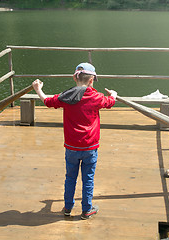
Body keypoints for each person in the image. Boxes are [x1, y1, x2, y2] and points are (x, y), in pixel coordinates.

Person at [32, 62, 117, 220]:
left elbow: (48, 101)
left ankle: (68, 207)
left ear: (74, 77)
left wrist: (38, 89)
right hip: (90, 147)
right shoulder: (96, 97)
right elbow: (110, 102)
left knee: (70, 177)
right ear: (92, 80)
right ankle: (86, 210)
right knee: (88, 178)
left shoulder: (66, 96)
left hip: (71, 147)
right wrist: (113, 94)